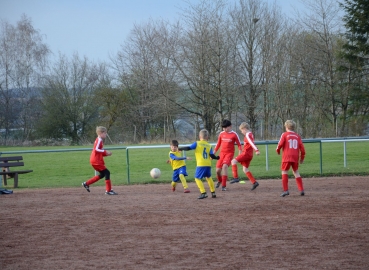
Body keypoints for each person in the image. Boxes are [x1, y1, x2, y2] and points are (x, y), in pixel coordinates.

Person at [179, 129, 219, 199]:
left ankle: (203, 192)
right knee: (209, 178)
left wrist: (181, 148)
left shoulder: (197, 143)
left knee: (197, 178)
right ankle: (213, 192)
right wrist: (216, 158)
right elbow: (212, 155)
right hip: (208, 164)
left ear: (199, 136)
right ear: (207, 137)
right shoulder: (209, 145)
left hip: (201, 164)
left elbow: (189, 148)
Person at [82, 126, 117, 195]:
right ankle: (108, 190)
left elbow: (98, 152)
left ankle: (86, 183)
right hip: (96, 161)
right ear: (101, 133)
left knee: (102, 174)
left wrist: (106, 154)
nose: (106, 134)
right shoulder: (99, 140)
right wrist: (105, 151)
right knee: (107, 172)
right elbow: (96, 150)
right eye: (105, 133)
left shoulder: (98, 140)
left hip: (94, 160)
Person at [276, 120, 306, 197]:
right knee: (296, 172)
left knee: (284, 171)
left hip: (287, 156)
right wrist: (302, 157)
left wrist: (278, 150)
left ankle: (286, 190)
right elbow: (302, 149)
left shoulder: (284, 134)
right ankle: (301, 190)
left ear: (286, 127)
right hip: (295, 157)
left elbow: (280, 144)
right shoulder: (297, 136)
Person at [230, 122, 260, 190]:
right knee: (245, 169)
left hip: (246, 153)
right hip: (249, 154)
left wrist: (256, 150)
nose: (241, 132)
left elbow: (251, 143)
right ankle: (254, 182)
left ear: (245, 128)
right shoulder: (251, 134)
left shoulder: (247, 135)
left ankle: (235, 177)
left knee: (233, 161)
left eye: (241, 130)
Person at [214, 119, 242, 191]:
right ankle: (220, 181)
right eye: (223, 128)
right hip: (221, 154)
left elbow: (239, 144)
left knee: (225, 166)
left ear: (230, 126)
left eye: (226, 127)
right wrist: (213, 152)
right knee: (217, 171)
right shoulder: (221, 134)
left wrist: (240, 152)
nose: (225, 129)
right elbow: (218, 144)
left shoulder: (234, 134)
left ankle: (223, 186)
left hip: (229, 154)